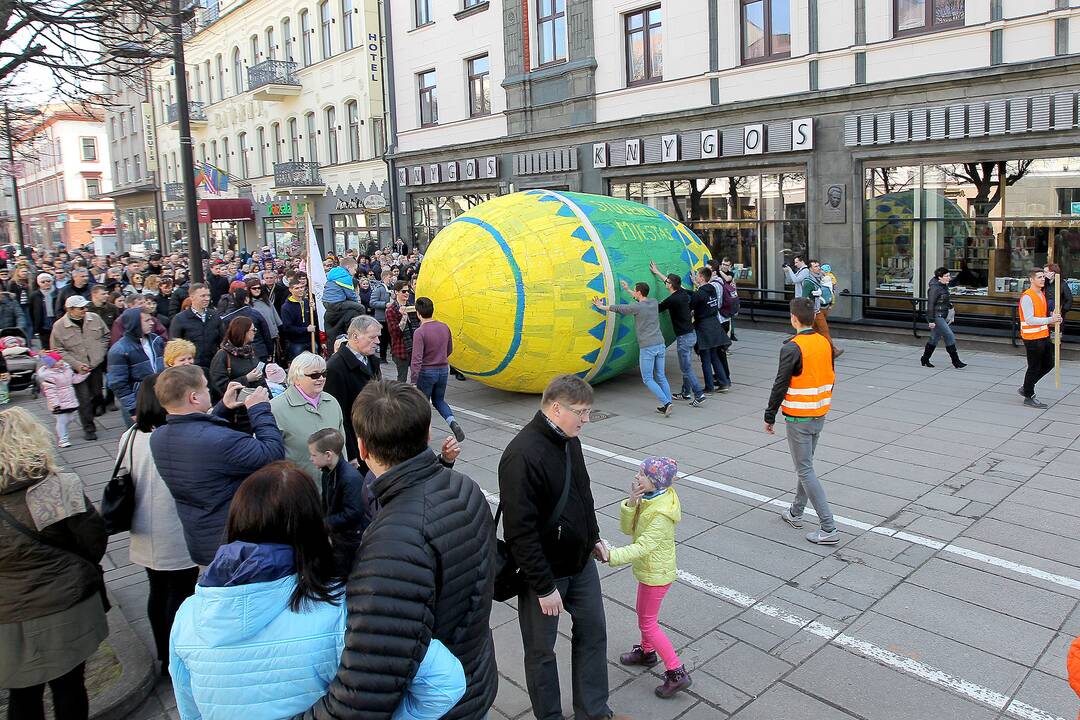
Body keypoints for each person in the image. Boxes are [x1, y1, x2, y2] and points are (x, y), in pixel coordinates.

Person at [170, 460, 467, 720]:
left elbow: (190, 709)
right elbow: (444, 682)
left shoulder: (187, 616)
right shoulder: (342, 608)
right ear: (313, 524)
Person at [298, 380, 496, 719]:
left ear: (361, 448)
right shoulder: (465, 487)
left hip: (437, 703)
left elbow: (366, 687)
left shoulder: (393, 543)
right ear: (428, 433)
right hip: (474, 679)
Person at [499, 375, 630, 720]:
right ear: (556, 408)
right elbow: (519, 531)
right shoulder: (521, 454)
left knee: (593, 632)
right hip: (544, 575)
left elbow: (582, 493)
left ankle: (593, 711)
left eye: (589, 411)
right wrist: (543, 587)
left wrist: (594, 537)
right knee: (542, 651)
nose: (587, 419)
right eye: (582, 412)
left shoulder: (570, 438)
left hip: (580, 562)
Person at [0, 407, 109, 720]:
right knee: (70, 685)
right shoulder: (56, 488)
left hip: (9, 611)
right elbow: (92, 541)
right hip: (65, 601)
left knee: (22, 692)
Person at [151, 365, 285, 566]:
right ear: (194, 398)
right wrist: (260, 409)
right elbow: (273, 454)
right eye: (205, 388)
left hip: (201, 539)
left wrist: (222, 407)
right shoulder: (219, 441)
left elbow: (200, 437)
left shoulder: (158, 437)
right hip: (235, 545)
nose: (209, 391)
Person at [118, 376, 197, 676]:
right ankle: (177, 658)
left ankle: (164, 655)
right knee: (180, 593)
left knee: (157, 590)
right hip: (173, 528)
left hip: (143, 527)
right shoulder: (170, 438)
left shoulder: (129, 436)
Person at [608, 456, 690, 699]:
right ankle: (646, 652)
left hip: (657, 573)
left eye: (642, 474)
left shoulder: (661, 514)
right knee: (643, 615)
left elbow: (642, 546)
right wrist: (631, 503)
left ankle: (676, 672)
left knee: (648, 623)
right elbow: (628, 529)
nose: (637, 477)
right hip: (649, 570)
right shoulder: (652, 498)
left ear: (655, 481)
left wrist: (610, 556)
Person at [765, 298, 838, 545]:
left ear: (793, 318)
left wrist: (769, 415)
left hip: (799, 416)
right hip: (819, 412)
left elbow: (780, 384)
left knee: (805, 469)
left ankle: (828, 527)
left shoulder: (792, 347)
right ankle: (796, 511)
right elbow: (830, 376)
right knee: (805, 465)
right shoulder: (824, 343)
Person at [593, 280, 673, 417]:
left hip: (648, 347)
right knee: (660, 375)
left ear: (639, 292)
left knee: (648, 378)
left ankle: (666, 403)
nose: (633, 292)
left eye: (635, 290)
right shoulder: (653, 302)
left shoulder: (637, 307)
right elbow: (638, 298)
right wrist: (627, 289)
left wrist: (601, 306)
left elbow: (620, 309)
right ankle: (668, 402)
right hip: (660, 343)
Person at [270, 351, 345, 482]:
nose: (321, 378)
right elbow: (269, 457)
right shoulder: (275, 408)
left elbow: (341, 443)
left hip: (334, 489)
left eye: (324, 373)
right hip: (298, 490)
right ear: (296, 378)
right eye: (314, 375)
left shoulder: (332, 402)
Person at [48, 295, 109, 441]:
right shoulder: (59, 326)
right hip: (77, 369)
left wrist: (99, 354)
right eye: (81, 308)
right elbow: (57, 350)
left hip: (95, 365)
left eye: (85, 307)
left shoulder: (94, 318)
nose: (85, 310)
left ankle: (92, 414)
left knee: (97, 394)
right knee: (84, 399)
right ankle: (89, 428)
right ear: (70, 310)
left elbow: (105, 336)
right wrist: (76, 364)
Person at [323, 315, 381, 464]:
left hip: (376, 436)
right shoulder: (335, 368)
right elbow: (338, 415)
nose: (377, 342)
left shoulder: (372, 360)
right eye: (372, 337)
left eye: (378, 337)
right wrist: (350, 452)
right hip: (357, 444)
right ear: (355, 336)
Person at [308, 428, 365, 572]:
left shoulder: (350, 478)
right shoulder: (327, 472)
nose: (311, 459)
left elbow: (353, 512)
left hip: (350, 541)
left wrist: (325, 524)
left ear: (328, 455)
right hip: (339, 536)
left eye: (314, 455)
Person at [410, 296, 466, 442]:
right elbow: (449, 349)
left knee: (423, 404)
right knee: (439, 400)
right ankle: (452, 422)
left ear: (418, 313)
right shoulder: (444, 327)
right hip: (443, 369)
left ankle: (424, 435)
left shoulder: (420, 332)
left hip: (426, 372)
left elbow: (416, 359)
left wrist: (414, 380)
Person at [649, 263, 705, 406]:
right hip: (691, 334)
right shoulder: (683, 293)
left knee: (686, 368)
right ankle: (686, 392)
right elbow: (670, 282)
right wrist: (657, 272)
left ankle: (698, 394)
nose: (665, 283)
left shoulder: (673, 299)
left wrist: (640, 300)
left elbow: (658, 308)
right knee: (686, 365)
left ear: (670, 285)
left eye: (667, 282)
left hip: (684, 337)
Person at [107, 308, 166, 428]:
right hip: (138, 401)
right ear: (134, 323)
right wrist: (133, 409)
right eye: (147, 320)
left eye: (151, 319)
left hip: (159, 398)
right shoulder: (120, 350)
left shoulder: (156, 340)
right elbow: (118, 383)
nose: (152, 323)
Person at [1018, 268, 1063, 409]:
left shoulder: (1041, 294)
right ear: (1031, 280)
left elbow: (1041, 317)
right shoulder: (1027, 297)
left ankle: (1026, 387)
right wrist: (1050, 319)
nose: (1043, 279)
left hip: (1043, 335)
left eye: (1043, 277)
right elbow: (1030, 320)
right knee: (1034, 367)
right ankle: (1028, 395)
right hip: (1032, 338)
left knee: (1049, 363)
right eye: (1039, 277)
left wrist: (1053, 320)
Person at [690, 266, 731, 393]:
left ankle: (709, 387)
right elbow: (702, 292)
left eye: (697, 274)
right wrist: (696, 284)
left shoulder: (699, 294)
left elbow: (691, 307)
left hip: (703, 327)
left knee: (705, 358)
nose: (696, 276)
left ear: (701, 277)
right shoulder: (711, 288)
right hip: (714, 324)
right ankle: (724, 382)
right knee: (714, 356)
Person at [36, 351, 88, 448]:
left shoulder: (66, 370)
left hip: (69, 399)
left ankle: (63, 434)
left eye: (61, 359)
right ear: (52, 364)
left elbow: (75, 379)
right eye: (58, 361)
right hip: (59, 403)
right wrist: (55, 405)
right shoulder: (48, 376)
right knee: (62, 421)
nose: (61, 362)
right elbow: (51, 393)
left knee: (71, 418)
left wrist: (84, 374)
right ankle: (63, 439)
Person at [169, 283, 225, 369]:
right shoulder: (179, 319)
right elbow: (175, 346)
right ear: (192, 297)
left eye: (208, 295)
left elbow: (222, 340)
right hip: (191, 367)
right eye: (203, 296)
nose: (207, 299)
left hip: (213, 365)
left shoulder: (215, 315)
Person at [209, 316, 265, 402]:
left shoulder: (249, 351)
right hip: (236, 408)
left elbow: (260, 379)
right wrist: (246, 379)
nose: (255, 332)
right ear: (243, 332)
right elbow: (219, 386)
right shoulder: (222, 356)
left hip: (256, 402)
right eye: (253, 330)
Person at [921, 267, 966, 369]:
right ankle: (956, 361)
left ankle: (924, 358)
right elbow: (931, 305)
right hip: (937, 316)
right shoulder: (935, 288)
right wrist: (931, 320)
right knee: (949, 335)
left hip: (943, 315)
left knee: (934, 338)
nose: (949, 278)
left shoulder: (943, 286)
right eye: (946, 276)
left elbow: (943, 301)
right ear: (939, 277)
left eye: (949, 275)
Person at [220, 288, 273, 361]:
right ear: (246, 299)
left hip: (238, 354)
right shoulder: (255, 314)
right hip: (259, 351)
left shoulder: (227, 318)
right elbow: (266, 334)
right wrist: (270, 351)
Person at [803, 260, 841, 357]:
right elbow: (804, 298)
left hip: (824, 308)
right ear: (810, 269)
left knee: (815, 330)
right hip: (816, 310)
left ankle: (807, 348)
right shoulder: (808, 281)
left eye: (818, 265)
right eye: (815, 266)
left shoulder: (822, 278)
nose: (818, 268)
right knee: (824, 330)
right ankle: (833, 351)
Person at [385, 281, 418, 382]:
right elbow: (395, 333)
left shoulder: (412, 306)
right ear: (396, 292)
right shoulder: (391, 310)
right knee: (402, 379)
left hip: (415, 347)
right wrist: (403, 316)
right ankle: (401, 397)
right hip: (401, 349)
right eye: (403, 291)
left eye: (408, 291)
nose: (407, 293)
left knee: (417, 377)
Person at [280, 276, 318, 362]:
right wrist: (306, 329)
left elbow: (314, 320)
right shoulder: (286, 307)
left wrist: (314, 310)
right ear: (290, 290)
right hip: (296, 343)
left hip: (310, 339)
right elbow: (287, 328)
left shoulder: (307, 302)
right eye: (296, 288)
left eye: (302, 287)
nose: (300, 290)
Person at [246, 276, 282, 359]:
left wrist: (277, 332)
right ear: (249, 290)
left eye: (259, 288)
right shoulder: (248, 305)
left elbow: (276, 319)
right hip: (259, 339)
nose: (257, 290)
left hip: (272, 336)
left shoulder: (267, 301)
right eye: (254, 288)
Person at [29, 272, 59, 348]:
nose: (46, 283)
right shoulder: (35, 295)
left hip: (57, 322)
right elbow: (32, 311)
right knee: (46, 348)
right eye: (43, 282)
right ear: (38, 283)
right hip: (43, 325)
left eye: (48, 281)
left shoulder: (59, 292)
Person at [370, 268, 393, 361]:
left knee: (391, 337)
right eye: (390, 277)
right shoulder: (379, 289)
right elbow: (372, 302)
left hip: (391, 317)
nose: (392, 279)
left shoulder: (392, 287)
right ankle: (383, 357)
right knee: (383, 339)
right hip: (382, 318)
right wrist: (385, 304)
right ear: (384, 277)